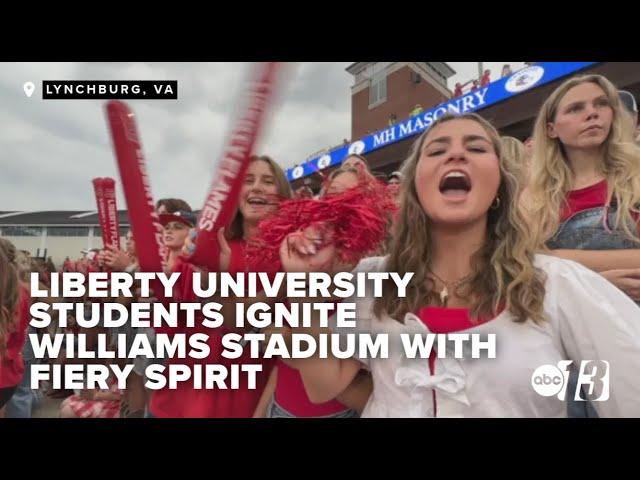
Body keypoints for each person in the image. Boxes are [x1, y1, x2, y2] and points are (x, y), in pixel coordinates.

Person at [277, 113, 640, 418]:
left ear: (499, 183)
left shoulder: (557, 284)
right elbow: (324, 386)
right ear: (416, 186)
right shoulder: (374, 279)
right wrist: (305, 287)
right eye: (437, 150)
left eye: (476, 147)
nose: (456, 155)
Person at [526, 74, 640, 417]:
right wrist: (596, 286)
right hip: (567, 351)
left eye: (600, 104)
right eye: (576, 108)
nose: (592, 114)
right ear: (551, 129)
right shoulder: (533, 199)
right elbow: (518, 269)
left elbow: (539, 263)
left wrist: (558, 260)